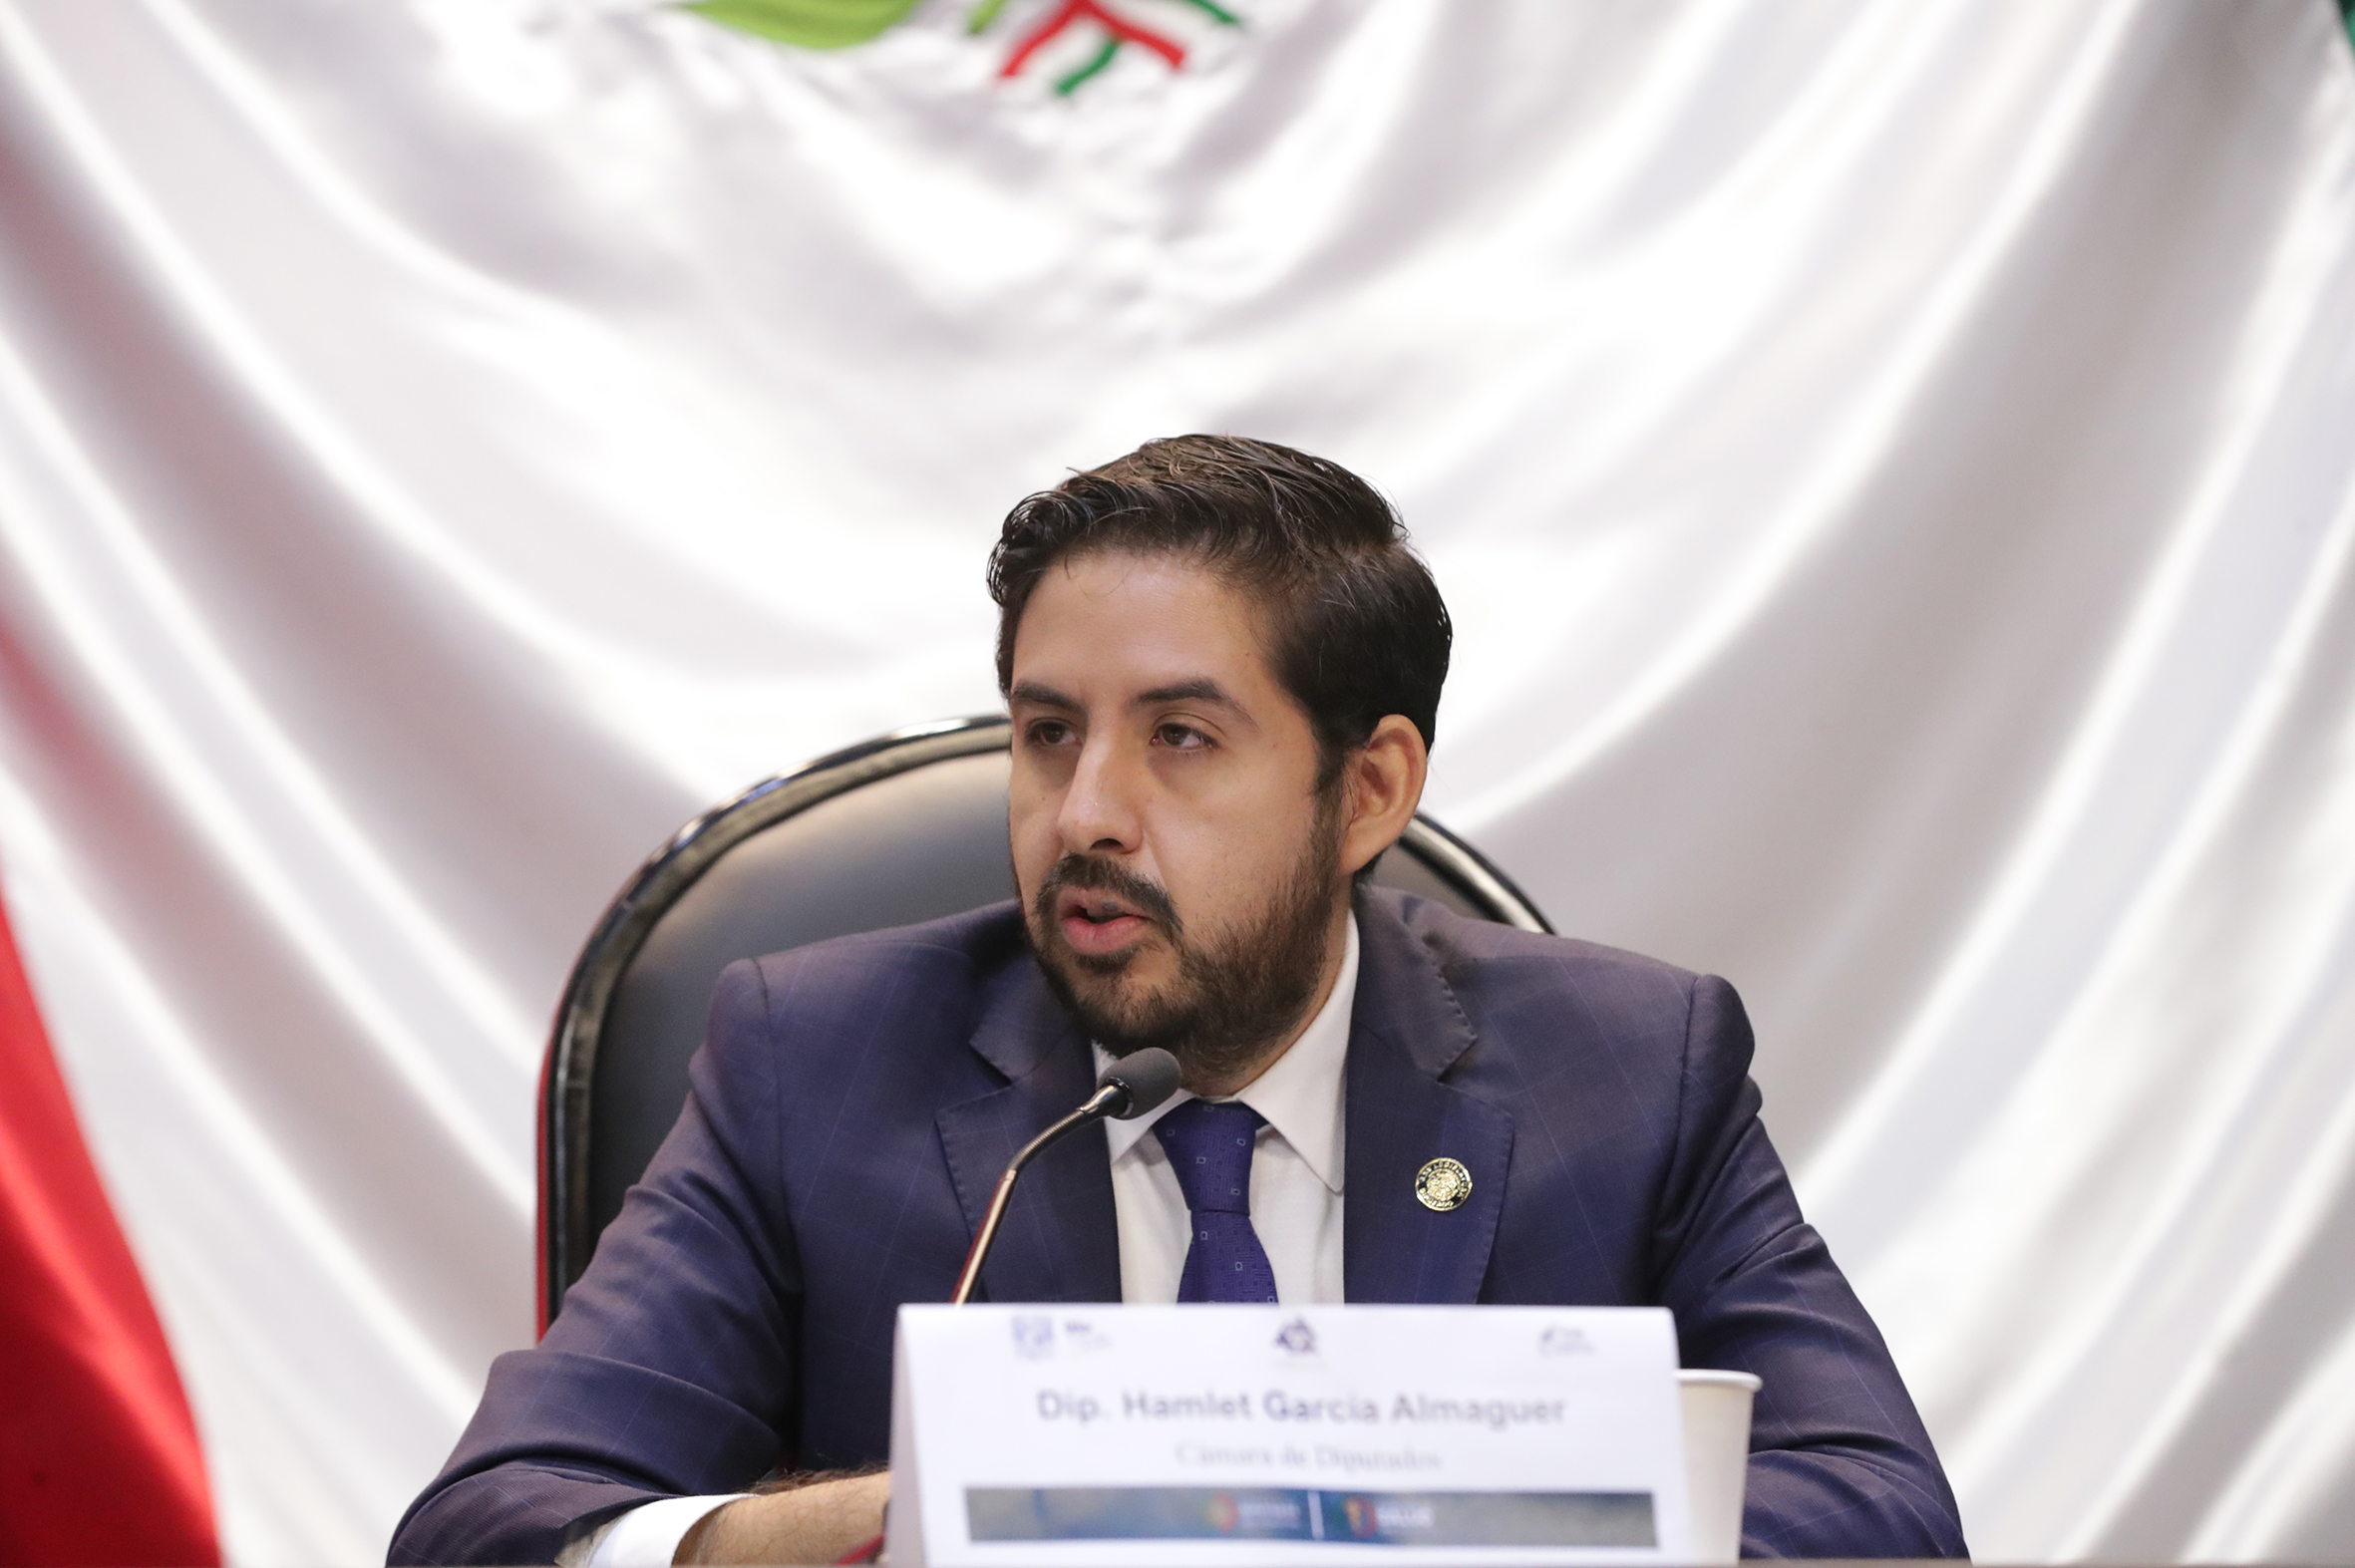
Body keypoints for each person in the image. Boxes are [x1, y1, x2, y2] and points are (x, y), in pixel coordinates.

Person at [390, 436, 1967, 1565]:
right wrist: (946, 1508)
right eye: (1047, 733)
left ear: (1367, 791)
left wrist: (1359, 1505)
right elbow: (495, 1527)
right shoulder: (815, 1058)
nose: (1084, 811)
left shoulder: (1624, 1067)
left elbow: (1881, 1513)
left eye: (1181, 738)